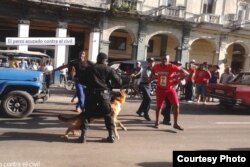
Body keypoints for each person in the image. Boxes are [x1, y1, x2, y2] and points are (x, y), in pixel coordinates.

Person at [79, 52, 122, 143]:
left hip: (91, 94)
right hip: (104, 95)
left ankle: (83, 136)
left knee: (86, 114)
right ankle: (111, 136)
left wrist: (90, 84)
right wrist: (109, 85)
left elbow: (81, 80)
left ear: (98, 59)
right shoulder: (109, 69)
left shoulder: (89, 68)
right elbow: (119, 82)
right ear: (105, 60)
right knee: (107, 114)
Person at [152, 55, 189, 130]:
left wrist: (178, 80)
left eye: (165, 59)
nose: (164, 60)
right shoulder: (157, 66)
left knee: (176, 105)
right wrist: (154, 76)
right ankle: (157, 122)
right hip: (160, 89)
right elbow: (153, 70)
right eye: (162, 59)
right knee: (159, 106)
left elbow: (186, 74)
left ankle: (175, 124)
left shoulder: (172, 66)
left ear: (168, 60)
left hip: (170, 89)